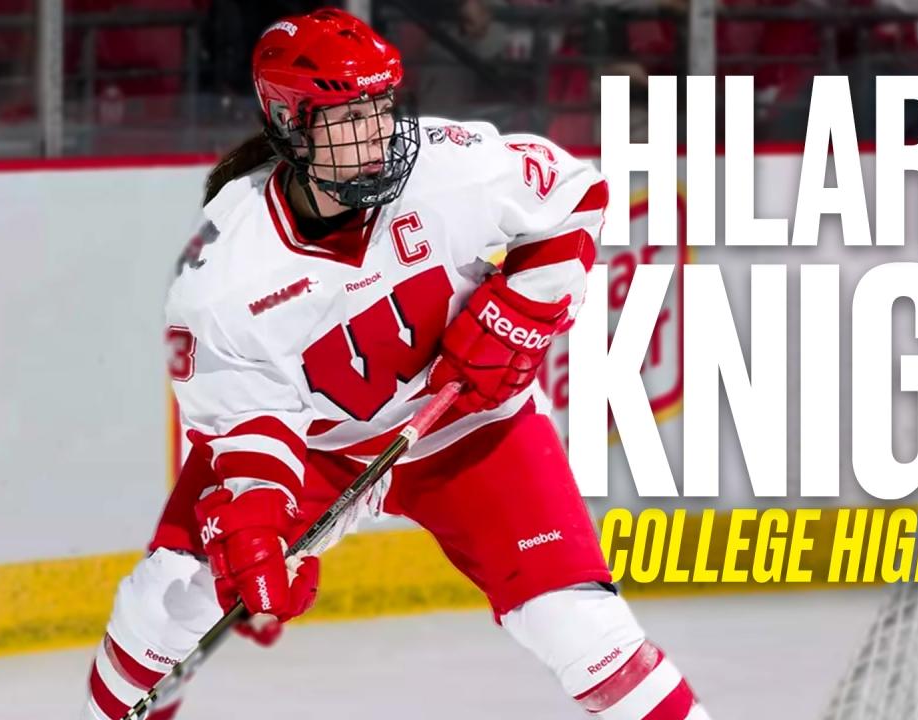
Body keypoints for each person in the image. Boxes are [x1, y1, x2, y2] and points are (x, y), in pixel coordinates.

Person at [80, 9, 711, 720]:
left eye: (381, 107)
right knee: (165, 602)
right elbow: (249, 426)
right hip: (321, 452)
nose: (378, 134)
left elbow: (575, 194)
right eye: (351, 118)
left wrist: (522, 312)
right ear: (290, 124)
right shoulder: (224, 271)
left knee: (582, 630)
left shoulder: (449, 166)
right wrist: (258, 520)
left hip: (471, 429)